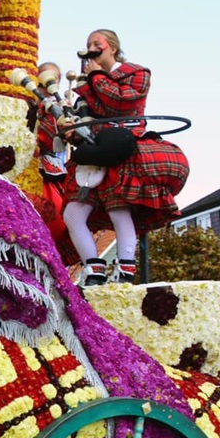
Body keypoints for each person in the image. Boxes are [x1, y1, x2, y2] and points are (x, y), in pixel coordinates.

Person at [60, 30, 190, 286]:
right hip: (94, 154)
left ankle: (125, 270)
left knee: (119, 209)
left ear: (113, 49)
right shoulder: (85, 86)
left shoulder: (138, 73)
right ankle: (93, 269)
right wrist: (69, 127)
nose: (92, 48)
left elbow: (120, 102)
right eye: (88, 44)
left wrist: (96, 74)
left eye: (97, 43)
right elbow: (84, 119)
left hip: (124, 150)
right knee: (73, 214)